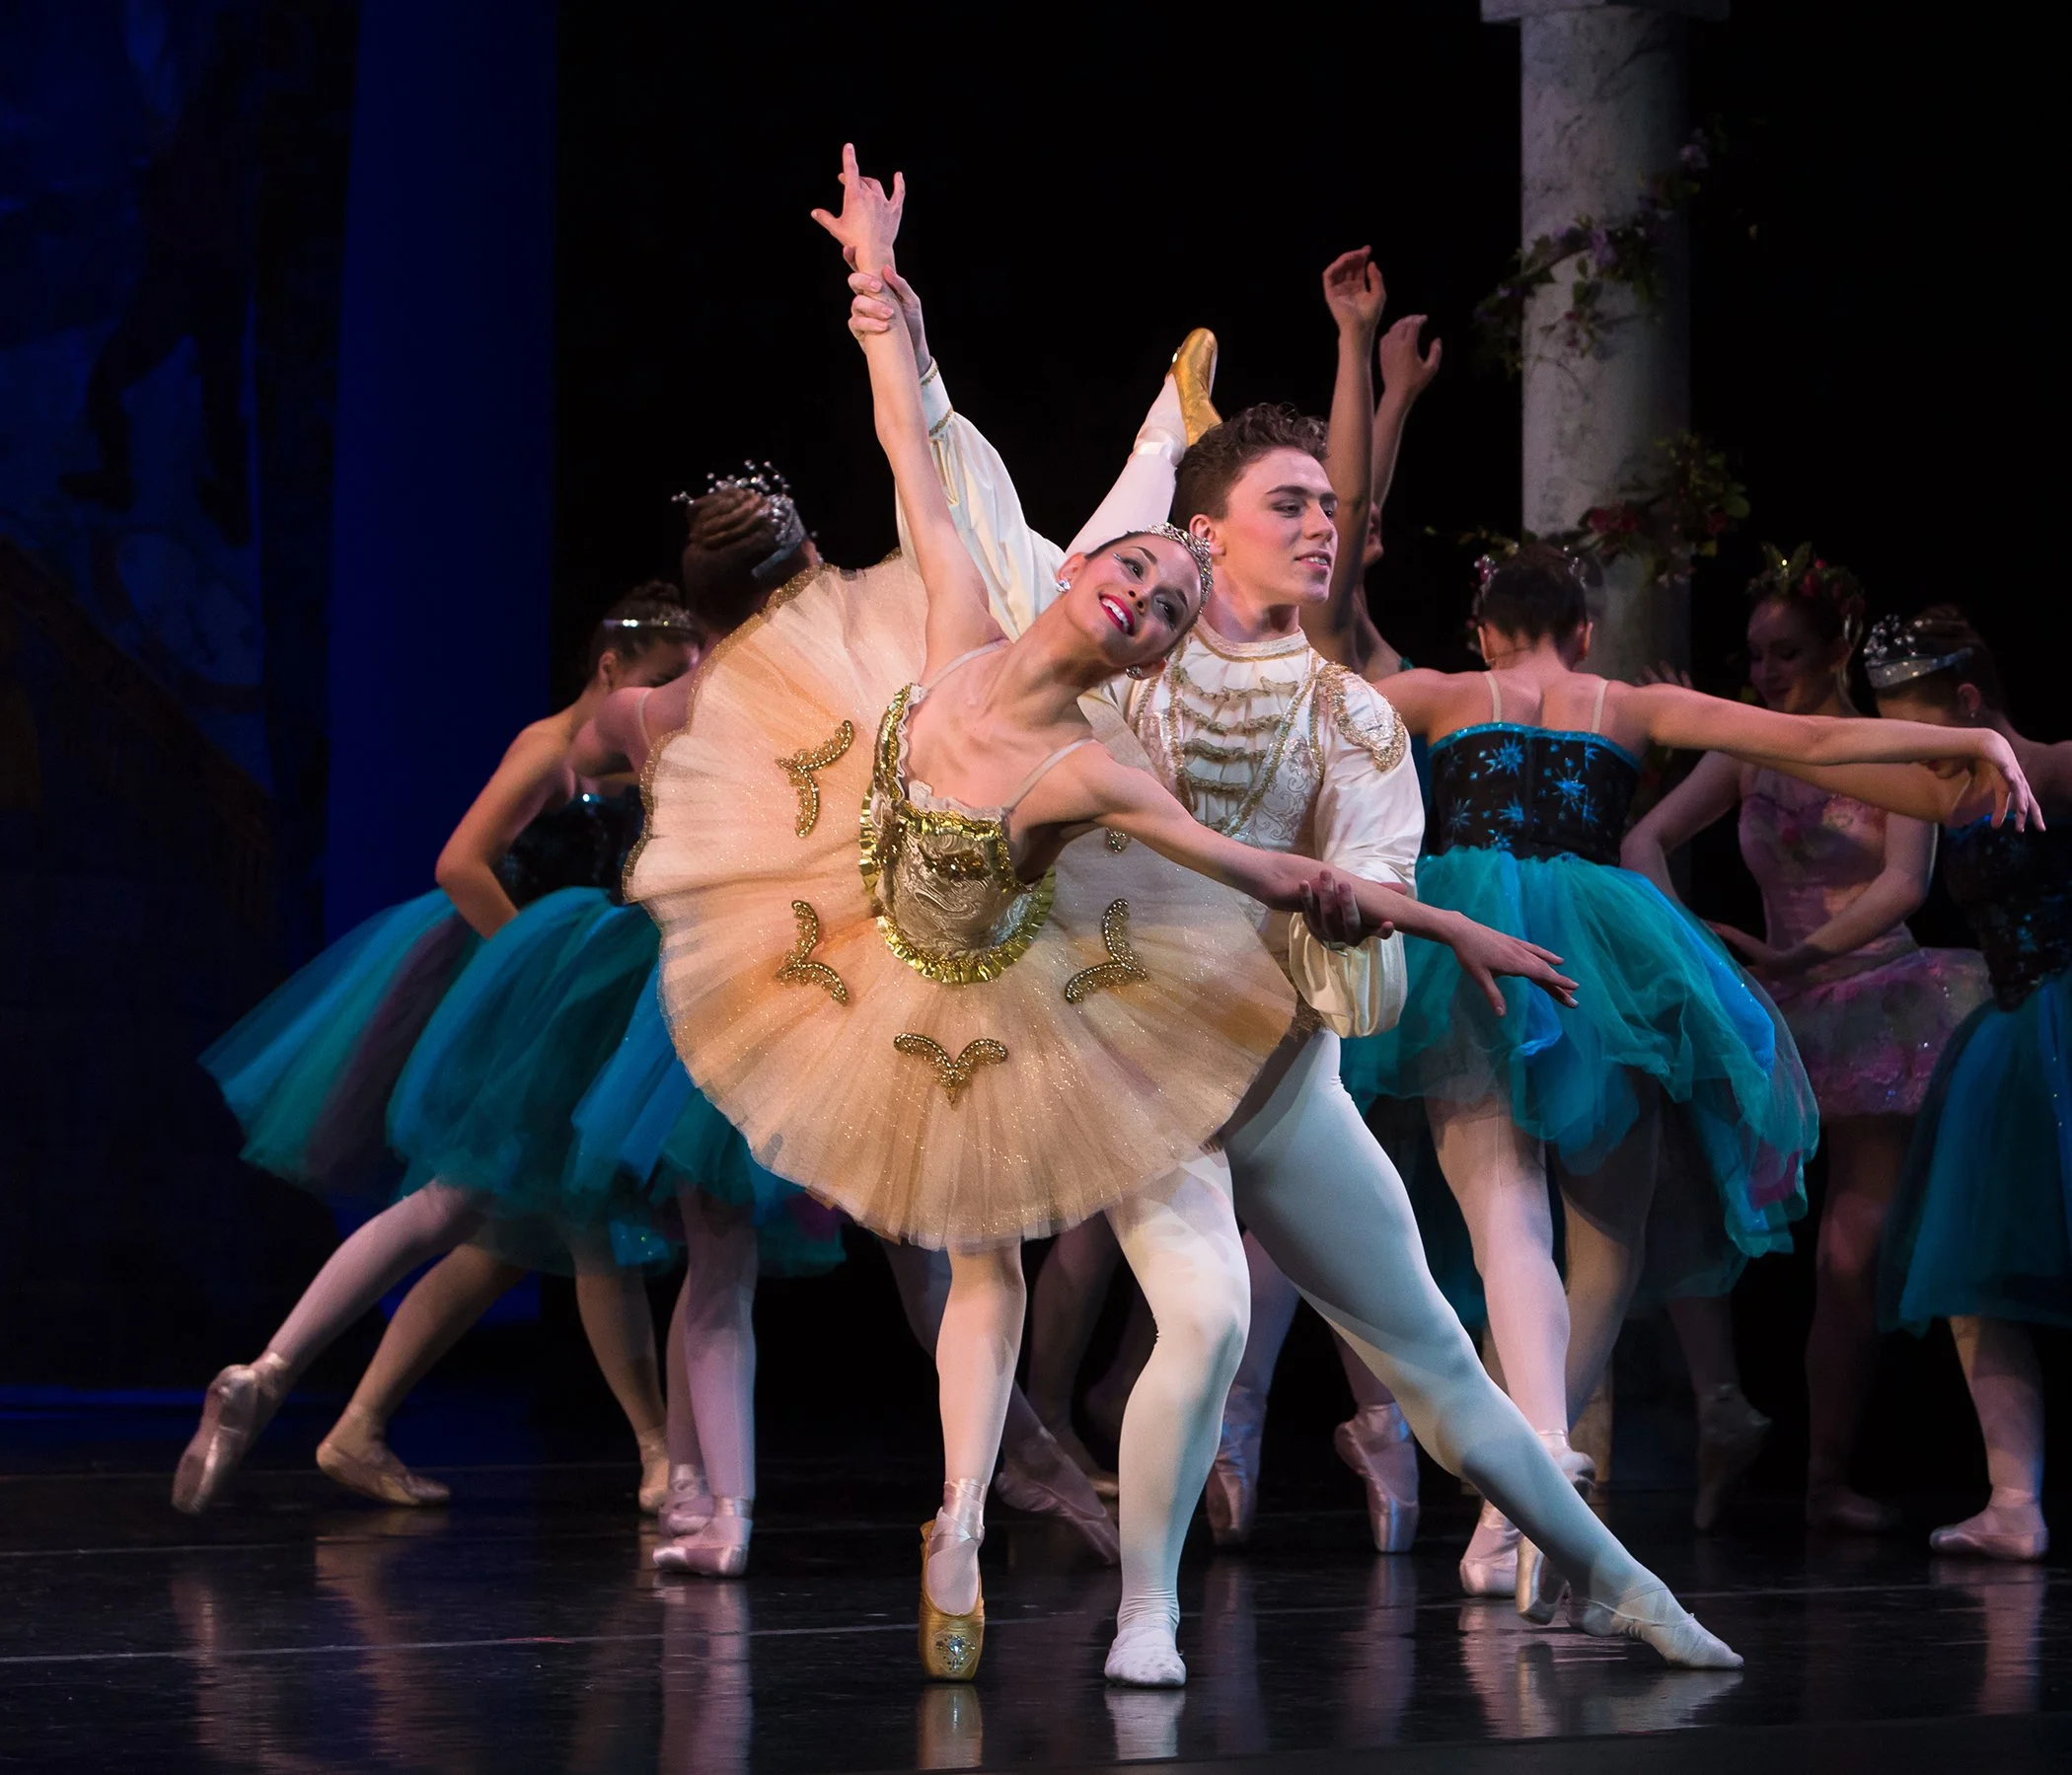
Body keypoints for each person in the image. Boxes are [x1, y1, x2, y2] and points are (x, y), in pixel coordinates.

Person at [839, 148, 1745, 1679]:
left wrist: (1390, 931)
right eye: (1294, 502)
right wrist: (881, 294)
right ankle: (1147, 1610)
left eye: (1333, 504)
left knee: (1434, 1352)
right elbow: (942, 467)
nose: (1327, 522)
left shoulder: (1353, 718)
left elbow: (1352, 898)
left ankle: (1623, 1582)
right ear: (1207, 532)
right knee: (1199, 1310)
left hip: (1269, 1057)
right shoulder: (1118, 637)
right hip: (1129, 1055)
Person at [1338, 544, 2034, 1607]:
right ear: (1584, 633)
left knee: (1506, 1218)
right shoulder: (1625, 703)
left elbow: (1293, 717)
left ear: (1484, 633)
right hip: (1597, 958)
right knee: (1607, 1247)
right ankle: (1512, 1505)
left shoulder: (1433, 693)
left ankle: (1520, 1489)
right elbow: (1810, 739)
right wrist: (1969, 738)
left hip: (1471, 948)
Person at [176, 586, 704, 1515]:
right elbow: (460, 861)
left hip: (560, 1003)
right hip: (506, 996)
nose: (669, 703)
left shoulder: (634, 761)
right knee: (542, 1209)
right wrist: (534, 973)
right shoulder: (549, 750)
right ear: (609, 668)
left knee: (493, 1238)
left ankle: (350, 1421)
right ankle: (661, 1458)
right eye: (661, 680)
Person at [1623, 553, 1990, 1532]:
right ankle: (1724, 1418)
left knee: (1848, 1252)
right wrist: (1698, 955)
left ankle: (1829, 1476)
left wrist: (1801, 957)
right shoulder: (1749, 745)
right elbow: (1642, 841)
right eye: (1755, 655)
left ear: (1837, 646)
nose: (1767, 672)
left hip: (1876, 999)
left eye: (1786, 652)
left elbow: (1906, 881)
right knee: (1707, 1216)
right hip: (1774, 1008)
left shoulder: (1885, 744)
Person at [1867, 609, 2067, 1563]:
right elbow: (1822, 753)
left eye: (1917, 726)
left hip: (2057, 1019)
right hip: (2011, 1033)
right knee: (1970, 1269)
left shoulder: (2057, 769)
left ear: (1970, 701)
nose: (1908, 751)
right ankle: (2014, 1498)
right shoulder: (1942, 798)